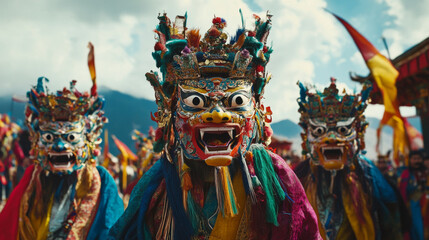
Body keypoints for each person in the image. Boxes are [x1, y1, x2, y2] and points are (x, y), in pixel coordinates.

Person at [109, 11, 321, 239]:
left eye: (237, 101)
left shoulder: (273, 179)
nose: (217, 114)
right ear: (168, 112)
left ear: (257, 112)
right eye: (195, 102)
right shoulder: (159, 185)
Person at [0, 43, 123, 240]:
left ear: (89, 138)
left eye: (71, 138)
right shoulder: (34, 178)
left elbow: (111, 227)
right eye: (49, 138)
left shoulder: (100, 181)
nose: (59, 146)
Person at [294, 79, 403, 239]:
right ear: (306, 137)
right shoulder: (300, 178)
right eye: (319, 130)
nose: (331, 139)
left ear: (358, 135)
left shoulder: (368, 176)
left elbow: (391, 220)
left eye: (343, 130)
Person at [399, 149, 427, 240]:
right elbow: (403, 191)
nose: (416, 161)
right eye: (414, 159)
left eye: (418, 158)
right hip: (413, 208)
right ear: (410, 160)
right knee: (416, 231)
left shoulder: (426, 173)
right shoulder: (405, 174)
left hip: (426, 207)